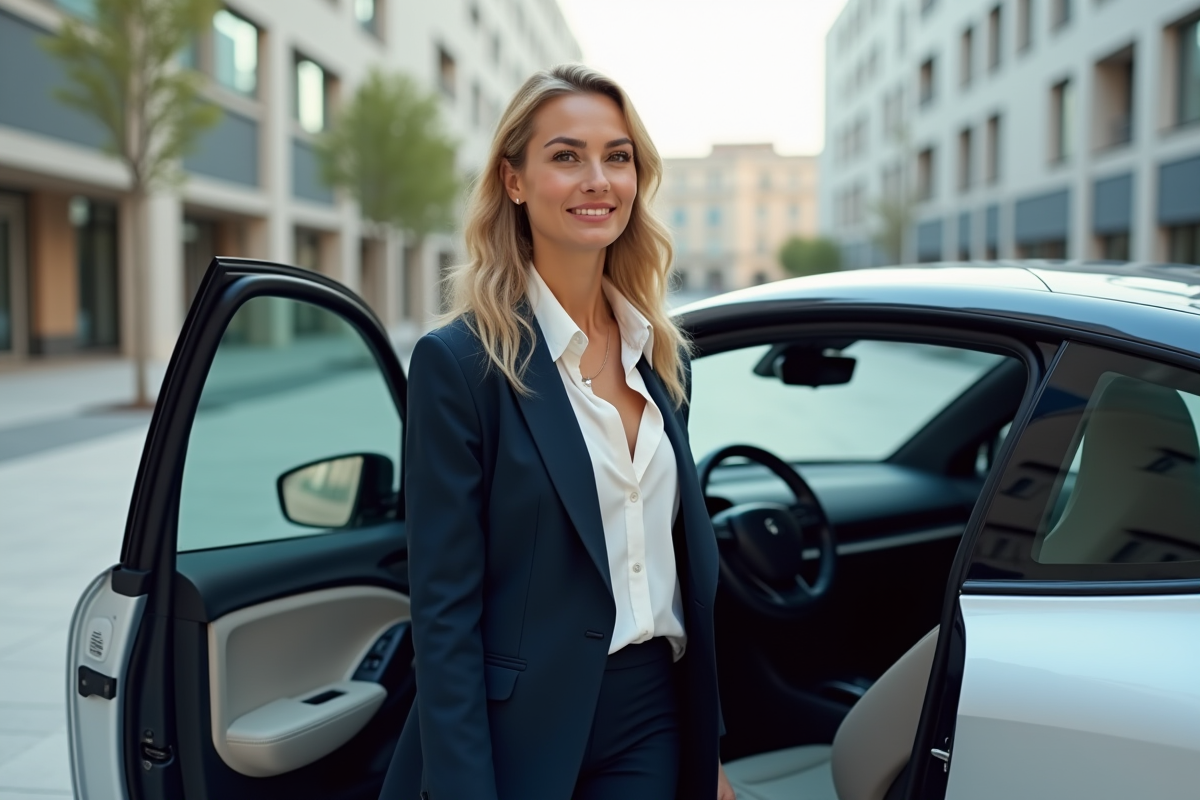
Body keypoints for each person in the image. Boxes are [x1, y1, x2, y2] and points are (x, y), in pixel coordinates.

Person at [379, 64, 734, 800]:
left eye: (617, 156)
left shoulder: (661, 357)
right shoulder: (461, 364)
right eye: (566, 156)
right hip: (516, 729)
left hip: (651, 713)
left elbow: (671, 563)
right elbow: (443, 616)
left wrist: (709, 751)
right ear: (514, 180)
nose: (597, 179)